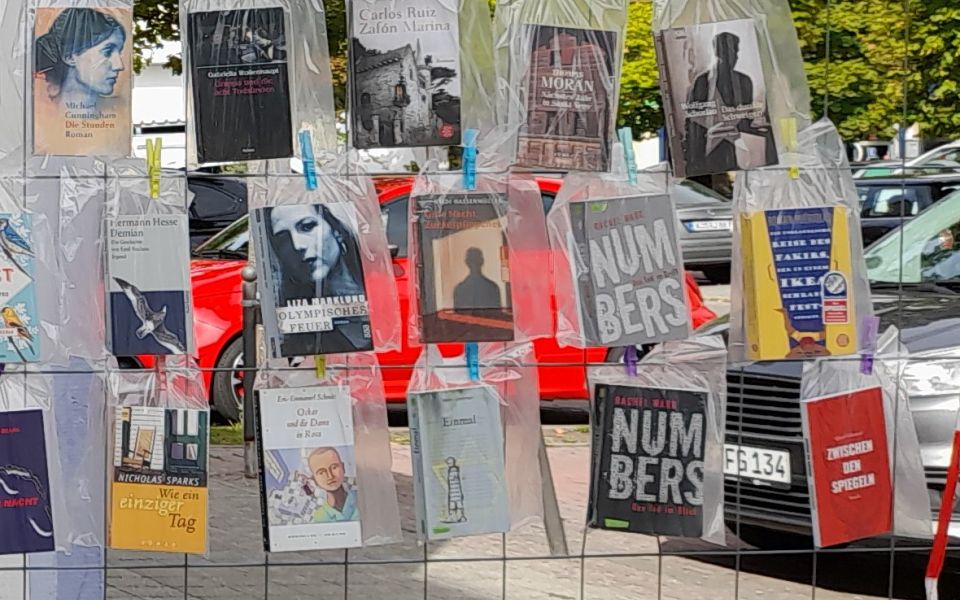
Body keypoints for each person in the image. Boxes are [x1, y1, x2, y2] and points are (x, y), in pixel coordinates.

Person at [268, 204, 368, 353]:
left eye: (307, 227)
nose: (297, 245)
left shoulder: (374, 285)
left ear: (337, 230)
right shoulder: (291, 324)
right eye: (283, 239)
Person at [683, 31, 775, 175]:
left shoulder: (744, 81)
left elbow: (747, 117)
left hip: (737, 150)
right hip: (707, 151)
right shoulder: (702, 82)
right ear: (717, 53)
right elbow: (692, 119)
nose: (734, 57)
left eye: (735, 51)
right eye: (729, 51)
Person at [34, 8, 126, 110]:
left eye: (119, 52)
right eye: (107, 52)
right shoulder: (40, 111)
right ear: (69, 56)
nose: (119, 66)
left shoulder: (119, 111)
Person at [305, 447, 358, 522]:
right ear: (315, 480)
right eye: (321, 472)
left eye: (334, 467)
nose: (330, 476)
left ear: (343, 468)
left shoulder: (360, 498)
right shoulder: (319, 517)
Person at [452, 247, 502, 312]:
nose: (474, 263)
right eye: (472, 260)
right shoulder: (492, 288)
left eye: (475, 260)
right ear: (482, 261)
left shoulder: (459, 289)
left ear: (466, 262)